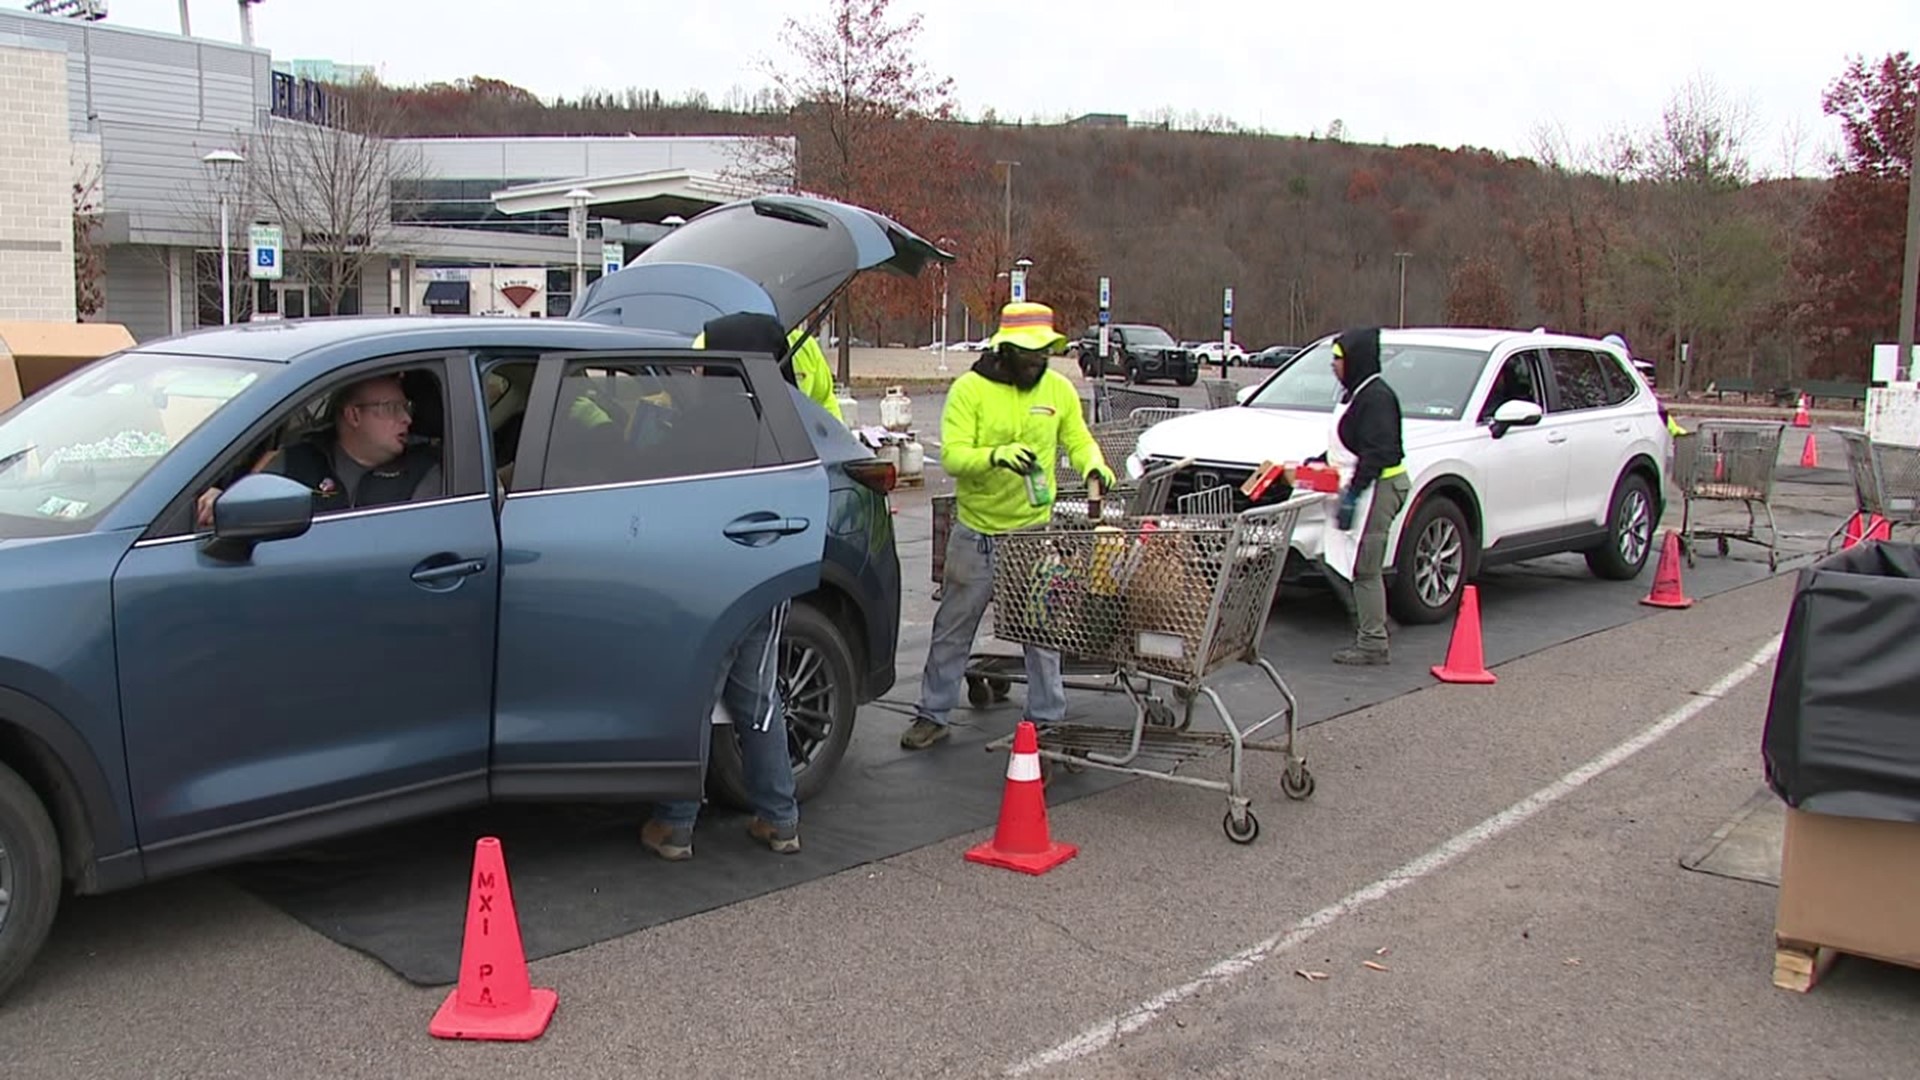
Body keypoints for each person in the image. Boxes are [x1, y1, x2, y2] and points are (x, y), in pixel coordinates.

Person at [899, 301, 1113, 751]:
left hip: (1034, 535)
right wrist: (995, 456)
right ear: (1007, 351)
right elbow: (954, 456)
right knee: (954, 628)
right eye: (1031, 356)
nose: (1038, 363)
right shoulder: (970, 391)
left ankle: (1046, 719)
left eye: (1044, 356)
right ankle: (933, 713)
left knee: (1042, 632)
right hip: (976, 534)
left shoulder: (1057, 391)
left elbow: (1078, 440)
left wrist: (1095, 468)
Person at [639, 311, 807, 861]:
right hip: (767, 573)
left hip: (705, 582)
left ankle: (675, 822)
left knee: (693, 695)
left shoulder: (699, 421)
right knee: (758, 697)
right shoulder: (788, 417)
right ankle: (779, 819)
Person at [194, 373, 441, 525]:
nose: (406, 419)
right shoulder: (297, 461)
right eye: (392, 408)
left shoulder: (424, 472)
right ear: (354, 415)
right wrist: (222, 500)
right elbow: (244, 502)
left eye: (405, 407)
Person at [1315, 327, 1409, 666]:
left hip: (1378, 488)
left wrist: (1353, 495)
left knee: (1364, 567)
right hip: (1359, 484)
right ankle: (1373, 621)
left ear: (1355, 360)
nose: (1334, 366)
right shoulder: (1354, 395)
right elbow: (1346, 444)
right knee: (1331, 556)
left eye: (1338, 359)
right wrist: (1317, 463)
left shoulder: (1377, 398)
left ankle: (1372, 642)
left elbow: (1380, 452)